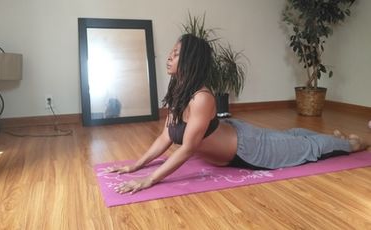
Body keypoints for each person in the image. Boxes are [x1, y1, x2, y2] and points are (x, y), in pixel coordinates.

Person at [110, 34, 368, 194]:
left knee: (308, 149)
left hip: (251, 149)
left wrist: (149, 180)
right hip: (239, 133)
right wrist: (137, 165)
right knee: (292, 136)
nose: (168, 57)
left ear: (189, 60)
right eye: (171, 52)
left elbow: (187, 148)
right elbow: (166, 135)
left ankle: (353, 143)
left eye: (176, 54)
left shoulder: (202, 98)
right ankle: (336, 137)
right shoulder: (178, 91)